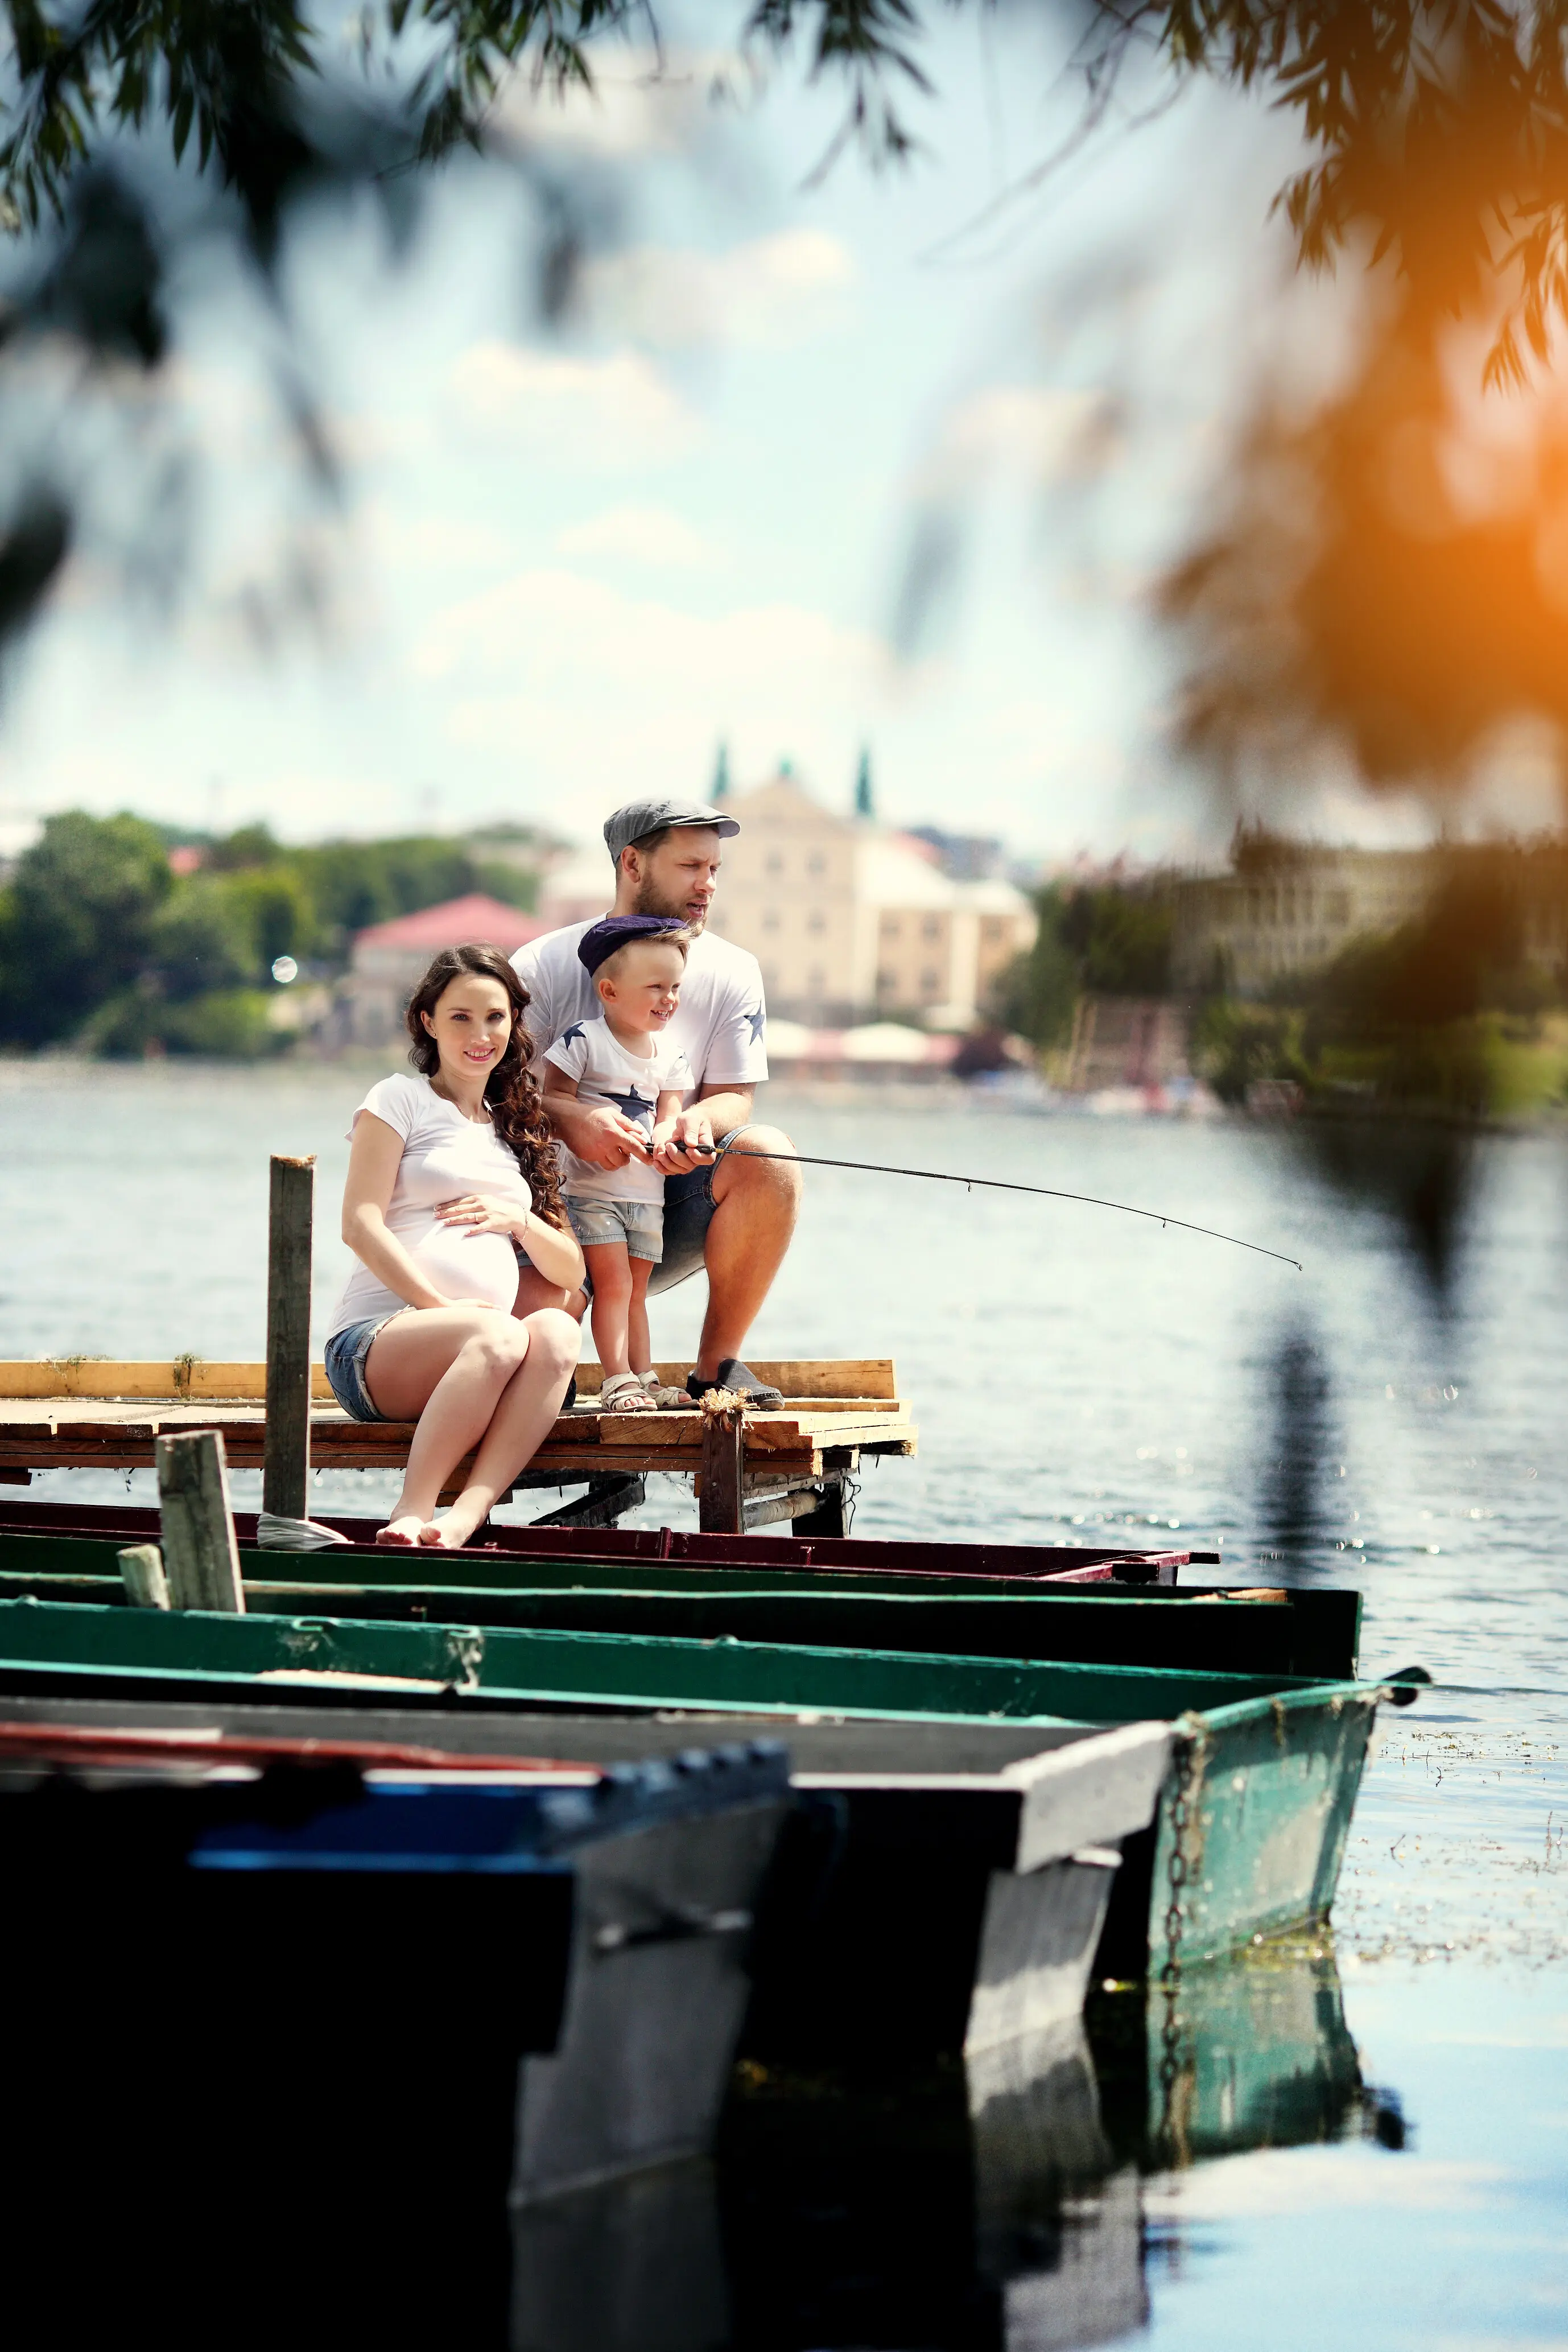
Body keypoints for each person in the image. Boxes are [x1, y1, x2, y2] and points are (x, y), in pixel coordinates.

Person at [512, 796, 802, 1406]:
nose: (708, 884)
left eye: (715, 869)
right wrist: (573, 1121)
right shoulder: (539, 964)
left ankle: (715, 1368)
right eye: (691, 866)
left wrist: (692, 1121)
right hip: (545, 1213)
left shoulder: (734, 970)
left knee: (769, 1155)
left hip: (654, 1207)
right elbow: (497, 1102)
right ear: (632, 864)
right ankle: (550, 1350)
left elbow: (733, 1099)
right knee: (535, 1376)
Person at [324, 942, 584, 1549]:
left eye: (494, 1017)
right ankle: (412, 1509)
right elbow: (359, 1224)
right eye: (460, 1017)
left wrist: (519, 1220)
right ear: (428, 1022)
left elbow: (569, 1271)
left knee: (558, 1332)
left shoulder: (513, 1129)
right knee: (499, 1333)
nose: (480, 1034)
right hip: (377, 1347)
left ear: (512, 1023)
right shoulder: (398, 1099)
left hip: (479, 1352)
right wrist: (443, 1311)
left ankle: (464, 1514)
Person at [544, 916, 694, 1414]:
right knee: (614, 1285)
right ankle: (617, 1380)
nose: (668, 998)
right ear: (609, 991)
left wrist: (665, 1139)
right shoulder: (583, 1040)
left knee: (636, 1293)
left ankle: (644, 1376)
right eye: (655, 987)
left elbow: (669, 1112)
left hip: (646, 1195)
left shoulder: (671, 1054)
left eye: (675, 987)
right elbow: (554, 1099)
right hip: (592, 1192)